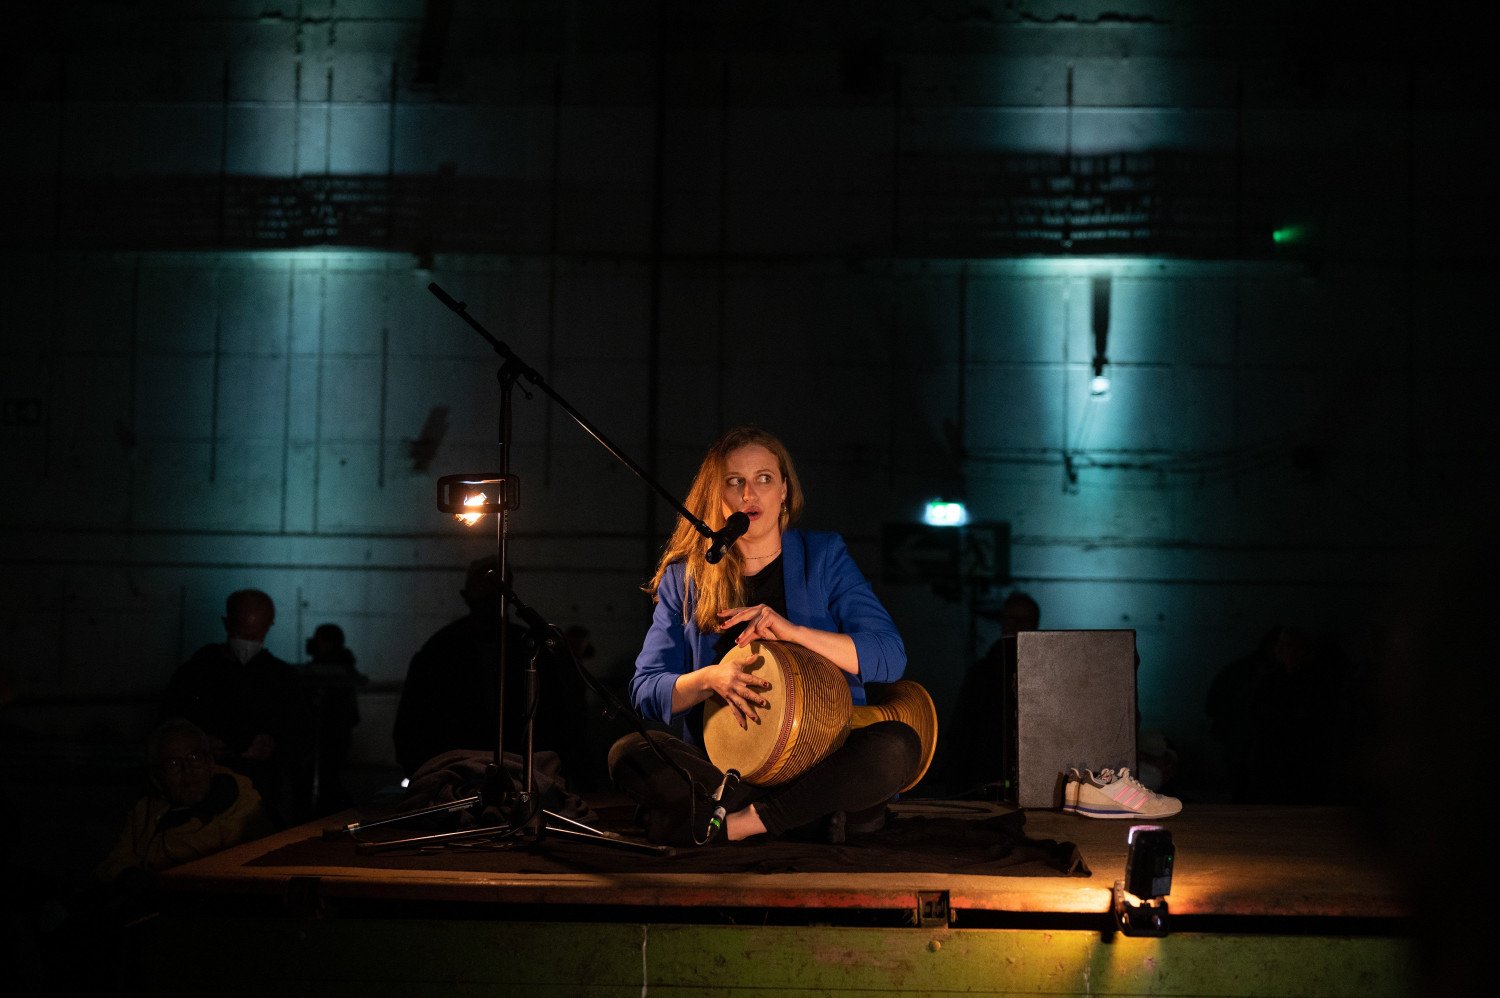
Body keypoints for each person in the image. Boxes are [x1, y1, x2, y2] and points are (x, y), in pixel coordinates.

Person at [608, 426, 922, 845]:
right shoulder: (685, 578)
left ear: (785, 492)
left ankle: (740, 824)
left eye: (764, 479)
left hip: (821, 762)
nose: (749, 494)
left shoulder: (824, 556)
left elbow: (890, 656)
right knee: (628, 754)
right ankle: (807, 817)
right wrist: (709, 680)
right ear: (716, 496)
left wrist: (793, 632)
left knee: (897, 746)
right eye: (734, 482)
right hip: (728, 772)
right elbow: (646, 689)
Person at [393, 557, 594, 786]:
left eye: (494, 594)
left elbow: (561, 717)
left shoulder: (529, 648)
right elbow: (411, 726)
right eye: (484, 594)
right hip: (460, 775)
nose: (489, 604)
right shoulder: (441, 651)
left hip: (516, 773)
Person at [161, 589, 310, 824]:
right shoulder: (200, 668)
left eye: (255, 636)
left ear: (268, 627)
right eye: (242, 634)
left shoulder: (282, 678)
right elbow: (168, 718)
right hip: (203, 791)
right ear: (226, 623)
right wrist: (198, 742)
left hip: (262, 790)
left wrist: (274, 745)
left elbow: (300, 735)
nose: (248, 644)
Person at [96, 719, 273, 882]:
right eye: (173, 764)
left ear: (210, 762)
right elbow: (117, 861)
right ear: (157, 778)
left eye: (195, 758)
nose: (187, 769)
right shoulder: (146, 809)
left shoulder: (241, 807)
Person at [939, 591, 1039, 796]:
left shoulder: (1044, 675)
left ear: (1035, 623)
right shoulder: (982, 674)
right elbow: (961, 733)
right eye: (1012, 618)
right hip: (983, 781)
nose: (1017, 625)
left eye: (1024, 619)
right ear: (1003, 621)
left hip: (1032, 779)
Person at [299, 623, 367, 813]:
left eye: (319, 639)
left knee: (327, 779)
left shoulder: (337, 669)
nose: (313, 643)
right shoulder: (341, 666)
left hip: (330, 734)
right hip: (329, 734)